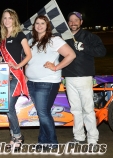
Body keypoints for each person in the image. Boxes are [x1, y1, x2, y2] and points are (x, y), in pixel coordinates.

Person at [25, 15, 76, 150]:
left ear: (47, 26)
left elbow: (71, 54)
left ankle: (53, 142)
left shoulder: (54, 40)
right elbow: (29, 61)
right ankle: (43, 141)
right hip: (32, 82)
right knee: (44, 112)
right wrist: (26, 76)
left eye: (43, 23)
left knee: (42, 113)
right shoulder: (31, 42)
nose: (39, 26)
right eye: (37, 23)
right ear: (34, 25)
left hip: (47, 82)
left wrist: (56, 67)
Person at [60, 12, 106, 149]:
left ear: (81, 22)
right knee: (75, 110)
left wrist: (85, 47)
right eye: (70, 21)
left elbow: (102, 52)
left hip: (85, 77)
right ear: (68, 23)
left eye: (76, 20)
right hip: (68, 78)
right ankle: (79, 136)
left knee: (88, 109)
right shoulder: (64, 37)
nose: (73, 23)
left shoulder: (89, 36)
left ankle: (92, 139)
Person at [0, 8, 32, 150]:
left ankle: (18, 136)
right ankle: (14, 137)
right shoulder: (3, 37)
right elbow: (4, 57)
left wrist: (18, 66)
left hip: (16, 77)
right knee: (8, 107)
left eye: (10, 18)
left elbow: (29, 55)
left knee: (8, 106)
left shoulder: (20, 35)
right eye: (5, 18)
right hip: (6, 76)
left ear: (15, 20)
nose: (7, 20)